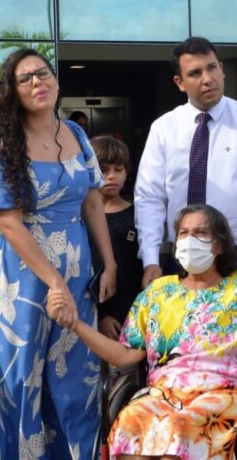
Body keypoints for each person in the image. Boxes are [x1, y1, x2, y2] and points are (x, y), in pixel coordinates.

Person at [49, 204, 237, 460]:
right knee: (130, 421)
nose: (189, 240)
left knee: (179, 428)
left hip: (225, 392)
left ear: (219, 245)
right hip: (162, 393)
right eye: (183, 233)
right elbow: (123, 356)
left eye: (200, 232)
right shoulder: (157, 292)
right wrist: (76, 324)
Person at [0, 49, 117, 460]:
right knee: (23, 378)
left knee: (77, 376)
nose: (38, 83)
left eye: (43, 74)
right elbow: (10, 224)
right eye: (25, 79)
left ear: (55, 80)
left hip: (77, 271)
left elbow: (92, 202)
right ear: (12, 91)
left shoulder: (75, 132)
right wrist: (54, 281)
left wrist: (108, 262)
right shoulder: (1, 145)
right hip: (26, 279)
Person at [135, 37, 237, 291]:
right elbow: (150, 198)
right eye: (195, 73)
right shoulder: (164, 129)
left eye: (211, 68)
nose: (207, 78)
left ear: (222, 69)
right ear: (179, 82)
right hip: (183, 262)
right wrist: (151, 260)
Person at [92, 135, 147, 339]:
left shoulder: (138, 214)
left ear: (127, 172)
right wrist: (101, 315)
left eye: (118, 169)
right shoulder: (80, 218)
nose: (111, 176)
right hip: (94, 310)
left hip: (133, 308)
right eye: (103, 170)